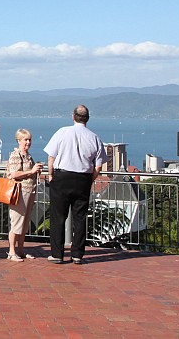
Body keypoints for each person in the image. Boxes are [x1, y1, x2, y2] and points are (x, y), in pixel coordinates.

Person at [44, 105, 107, 265]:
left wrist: (51, 174)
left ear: (73, 117)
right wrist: (89, 180)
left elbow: (51, 157)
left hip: (62, 177)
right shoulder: (94, 138)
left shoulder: (62, 132)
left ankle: (57, 254)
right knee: (80, 218)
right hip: (83, 179)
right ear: (87, 118)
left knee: (58, 216)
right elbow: (98, 166)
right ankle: (77, 254)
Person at [5, 128, 43, 261]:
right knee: (17, 222)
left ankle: (21, 250)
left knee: (24, 223)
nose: (28, 142)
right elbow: (14, 174)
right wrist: (31, 171)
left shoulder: (28, 156)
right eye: (25, 140)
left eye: (29, 140)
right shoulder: (16, 155)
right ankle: (11, 251)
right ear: (19, 140)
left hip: (29, 192)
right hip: (20, 193)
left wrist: (35, 171)